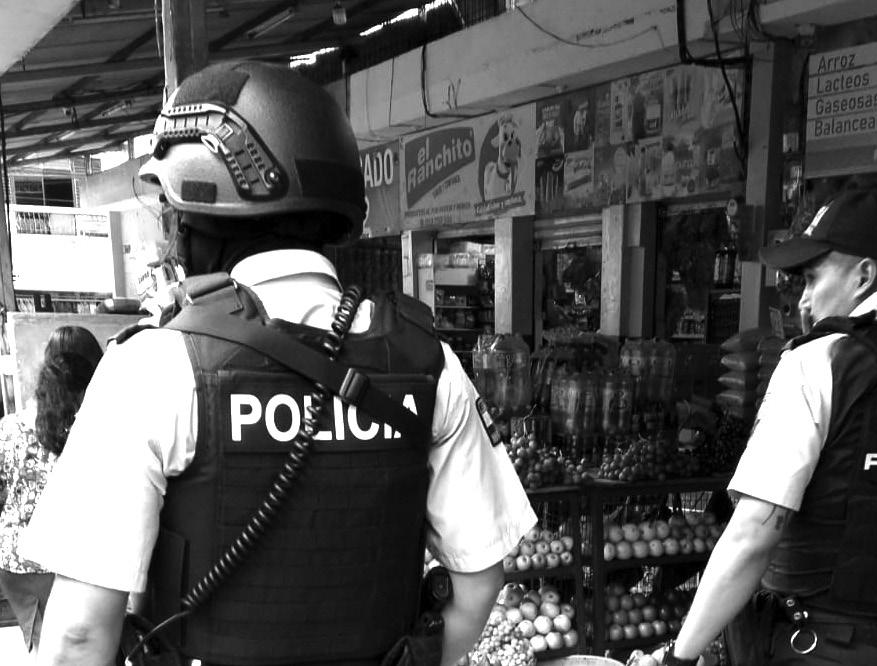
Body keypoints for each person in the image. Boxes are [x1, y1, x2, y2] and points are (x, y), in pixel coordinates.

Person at [21, 61, 537, 666]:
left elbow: (79, 635)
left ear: (199, 213)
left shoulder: (151, 370)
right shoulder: (430, 363)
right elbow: (479, 581)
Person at [651, 190, 877, 666]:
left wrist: (679, 657)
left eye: (812, 278)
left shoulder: (822, 361)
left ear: (863, 275)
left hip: (824, 647)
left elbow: (752, 536)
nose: (804, 300)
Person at [0, 326, 101, 653]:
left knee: (48, 647)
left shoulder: (9, 426)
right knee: (78, 652)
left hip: (14, 563)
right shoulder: (89, 430)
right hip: (64, 565)